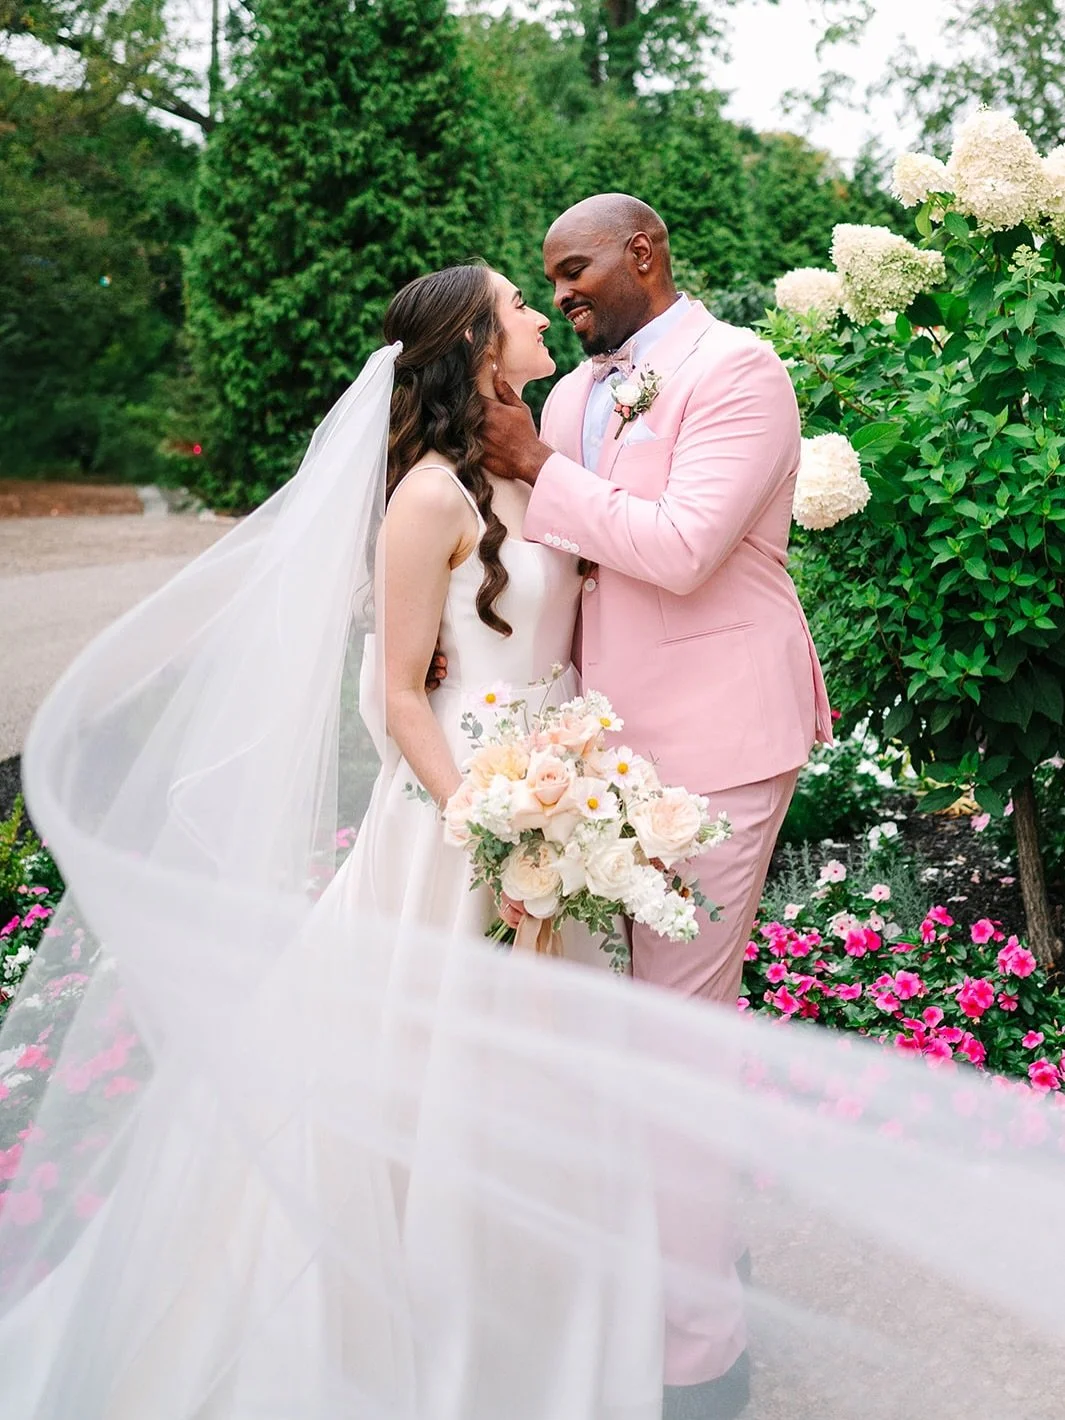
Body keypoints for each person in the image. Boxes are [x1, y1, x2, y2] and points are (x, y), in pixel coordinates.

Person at [480, 192, 833, 1418]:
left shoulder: (740, 369)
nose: (564, 295)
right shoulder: (574, 395)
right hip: (595, 749)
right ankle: (687, 1257)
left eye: (577, 273)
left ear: (646, 252)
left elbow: (682, 548)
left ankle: (702, 1352)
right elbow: (552, 561)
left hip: (723, 737)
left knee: (676, 1038)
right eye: (551, 283)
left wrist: (536, 468)